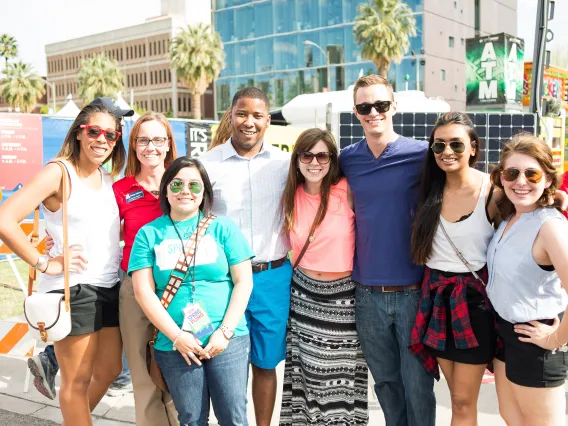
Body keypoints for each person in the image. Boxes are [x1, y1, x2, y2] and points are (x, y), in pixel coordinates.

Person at [0, 100, 126, 426]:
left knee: (111, 369)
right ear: (80, 133)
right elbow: (5, 219)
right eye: (94, 131)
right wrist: (45, 263)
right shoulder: (59, 171)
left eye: (110, 135)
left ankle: (75, 419)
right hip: (74, 289)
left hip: (109, 286)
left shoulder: (107, 177)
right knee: (76, 382)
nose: (102, 139)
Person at [338, 74, 436, 426]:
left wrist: (551, 199)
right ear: (355, 112)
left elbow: (467, 184)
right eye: (365, 107)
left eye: (380, 105)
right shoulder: (346, 160)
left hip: (414, 292)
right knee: (387, 385)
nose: (373, 112)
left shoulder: (421, 154)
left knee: (418, 386)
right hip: (366, 295)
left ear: (393, 106)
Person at [129, 157, 254, 425]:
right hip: (175, 342)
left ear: (205, 193)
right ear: (165, 190)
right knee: (190, 419)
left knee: (234, 417)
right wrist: (177, 336)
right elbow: (143, 292)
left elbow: (244, 282)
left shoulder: (223, 228)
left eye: (194, 185)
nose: (185, 191)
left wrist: (225, 332)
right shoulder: (148, 234)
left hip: (227, 338)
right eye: (177, 184)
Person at [200, 87, 292, 426]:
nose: (248, 122)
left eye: (257, 116)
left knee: (266, 364)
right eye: (242, 114)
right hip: (224, 281)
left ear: (268, 121)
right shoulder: (207, 164)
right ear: (231, 116)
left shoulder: (285, 164)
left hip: (273, 276)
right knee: (228, 363)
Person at [408, 112, 499, 426]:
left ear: (473, 147)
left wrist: (556, 200)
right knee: (454, 398)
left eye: (456, 145)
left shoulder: (493, 191)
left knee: (462, 402)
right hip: (436, 300)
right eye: (439, 146)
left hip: (474, 305)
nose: (447, 152)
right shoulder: (429, 190)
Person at [278, 128, 368, 425]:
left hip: (343, 300)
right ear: (297, 159)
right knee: (306, 380)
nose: (314, 162)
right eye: (307, 154)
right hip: (302, 296)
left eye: (322, 155)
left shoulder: (347, 189)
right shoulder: (289, 194)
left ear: (332, 159)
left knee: (338, 382)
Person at [486, 133, 568, 426]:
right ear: (502, 177)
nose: (521, 181)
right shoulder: (510, 217)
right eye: (512, 173)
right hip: (506, 335)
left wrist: (555, 339)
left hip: (536, 341)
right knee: (512, 418)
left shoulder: (550, 226)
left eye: (532, 173)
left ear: (547, 179)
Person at [112, 111, 179, 424]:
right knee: (143, 375)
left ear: (168, 144)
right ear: (134, 145)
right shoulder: (121, 190)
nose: (150, 146)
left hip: (182, 288)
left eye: (157, 139)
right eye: (143, 140)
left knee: (183, 370)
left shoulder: (184, 182)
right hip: (136, 289)